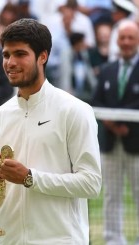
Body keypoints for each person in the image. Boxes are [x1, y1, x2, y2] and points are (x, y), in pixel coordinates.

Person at [0, 18, 102, 244]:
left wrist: (30, 177)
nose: (10, 62)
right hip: (10, 239)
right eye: (6, 55)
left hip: (59, 239)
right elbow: (0, 183)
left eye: (20, 54)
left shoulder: (75, 110)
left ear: (43, 56)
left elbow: (90, 183)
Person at [91, 19, 139, 245]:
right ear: (117, 41)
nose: (126, 42)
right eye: (123, 37)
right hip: (110, 144)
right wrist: (111, 124)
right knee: (111, 195)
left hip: (135, 145)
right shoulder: (107, 71)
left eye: (131, 37)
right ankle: (113, 240)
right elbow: (96, 101)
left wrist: (122, 122)